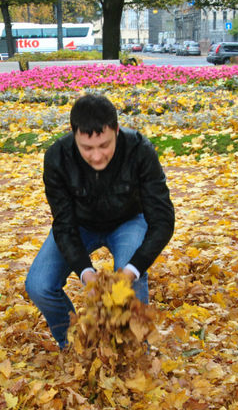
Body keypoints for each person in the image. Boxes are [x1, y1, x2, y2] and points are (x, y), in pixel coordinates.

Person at [25, 93, 175, 348]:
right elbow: (63, 224)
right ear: (74, 135)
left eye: (104, 145)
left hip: (129, 221)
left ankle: (136, 351)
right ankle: (74, 344)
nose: (97, 156)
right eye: (87, 148)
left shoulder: (140, 150)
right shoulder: (57, 158)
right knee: (38, 285)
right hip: (80, 225)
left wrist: (133, 269)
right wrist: (85, 273)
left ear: (116, 130)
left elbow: (162, 219)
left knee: (130, 282)